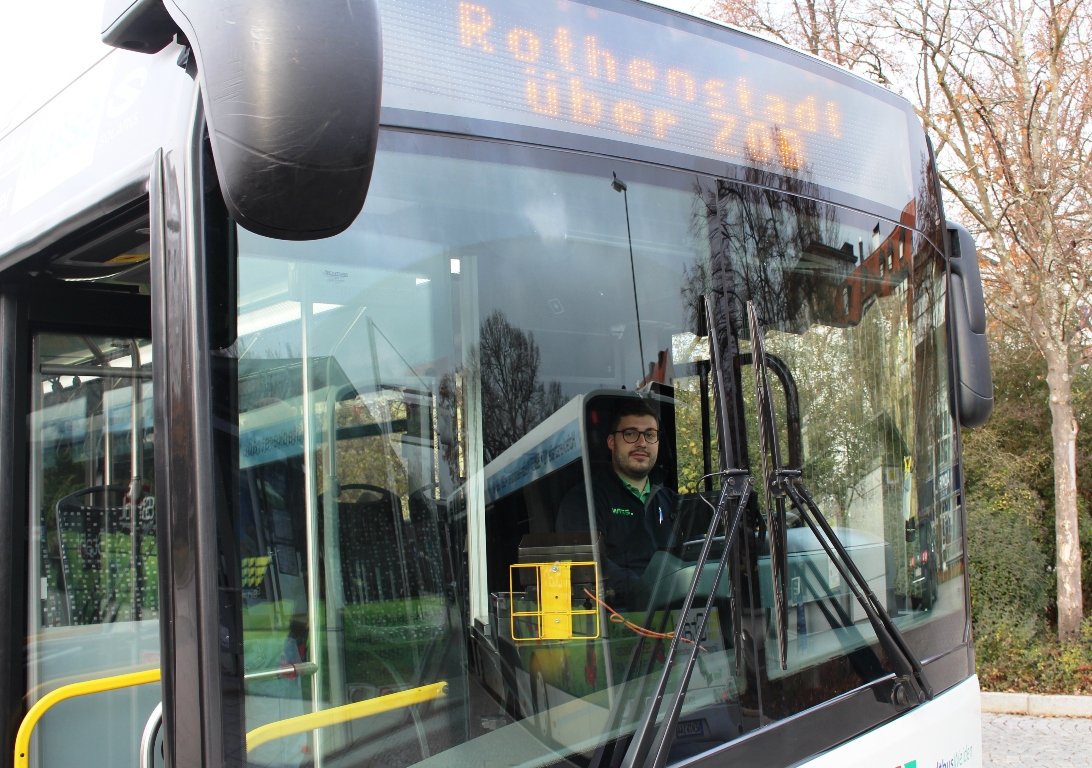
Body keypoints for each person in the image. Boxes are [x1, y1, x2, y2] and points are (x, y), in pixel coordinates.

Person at [557, 398, 676, 603]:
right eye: (630, 434)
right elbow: (585, 561)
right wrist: (642, 590)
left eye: (650, 435)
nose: (642, 443)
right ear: (611, 442)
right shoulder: (583, 501)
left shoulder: (672, 502)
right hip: (616, 621)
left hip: (675, 614)